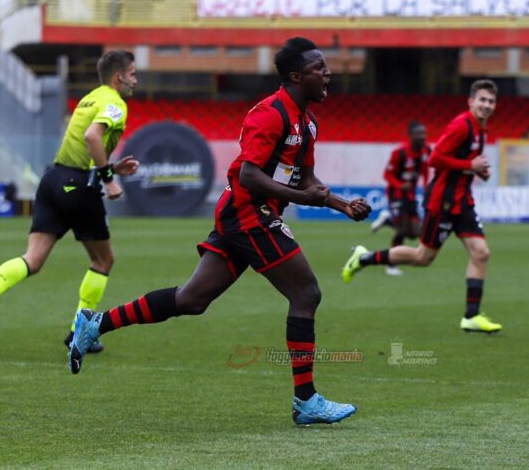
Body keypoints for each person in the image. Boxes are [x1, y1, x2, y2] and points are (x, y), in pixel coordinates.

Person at [67, 37, 372, 426]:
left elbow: (307, 180)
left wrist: (341, 205)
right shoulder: (270, 114)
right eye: (319, 68)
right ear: (297, 76)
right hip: (249, 212)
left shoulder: (307, 122)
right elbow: (249, 175)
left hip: (244, 214)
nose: (328, 73)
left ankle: (95, 323)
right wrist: (301, 198)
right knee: (306, 293)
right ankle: (306, 401)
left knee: (192, 299)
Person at [0, 50, 140, 351]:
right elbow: (92, 138)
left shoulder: (90, 98)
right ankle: (79, 332)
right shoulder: (115, 103)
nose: (135, 80)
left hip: (53, 180)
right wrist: (109, 179)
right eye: (133, 74)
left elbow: (83, 144)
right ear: (118, 77)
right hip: (79, 187)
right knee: (103, 259)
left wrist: (111, 167)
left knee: (32, 259)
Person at [342, 79, 502, 334]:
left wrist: (476, 172)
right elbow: (436, 158)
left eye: (491, 101)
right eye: (482, 100)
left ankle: (471, 316)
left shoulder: (481, 129)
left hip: (463, 200)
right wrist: (470, 167)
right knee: (422, 257)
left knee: (481, 252)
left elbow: (463, 161)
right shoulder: (462, 125)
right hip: (443, 202)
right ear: (471, 101)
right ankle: (363, 258)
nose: (487, 105)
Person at [369, 120, 432, 276]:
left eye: (424, 133)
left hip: (410, 196)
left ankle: (387, 220)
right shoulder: (400, 153)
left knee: (415, 232)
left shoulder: (426, 151)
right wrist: (399, 185)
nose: (422, 137)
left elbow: (425, 170)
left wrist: (426, 188)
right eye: (419, 134)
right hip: (396, 195)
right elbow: (387, 175)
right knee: (402, 230)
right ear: (411, 136)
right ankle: (391, 265)